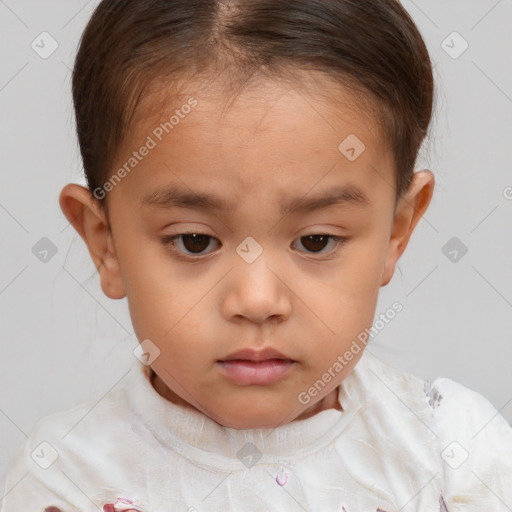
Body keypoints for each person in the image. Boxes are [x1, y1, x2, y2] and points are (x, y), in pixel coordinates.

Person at [2, 0, 511, 510]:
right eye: (195, 241)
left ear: (396, 232)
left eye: (316, 241)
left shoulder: (455, 458)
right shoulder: (64, 480)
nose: (258, 300)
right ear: (104, 242)